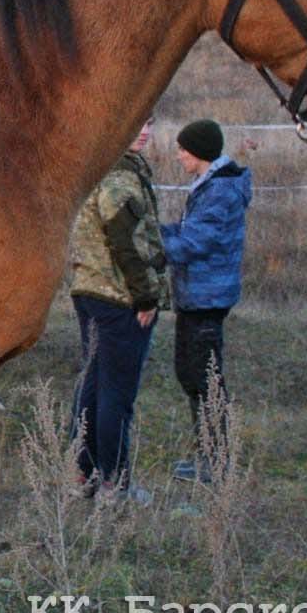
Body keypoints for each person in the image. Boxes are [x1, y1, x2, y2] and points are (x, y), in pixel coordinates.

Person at [68, 115, 169, 503]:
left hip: (88, 289)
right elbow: (124, 240)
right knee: (115, 394)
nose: (144, 131)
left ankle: (84, 474)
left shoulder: (92, 164)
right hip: (118, 298)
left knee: (94, 385)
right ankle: (113, 483)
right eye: (136, 122)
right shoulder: (120, 174)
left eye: (149, 123)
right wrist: (145, 295)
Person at [161, 119, 252, 483]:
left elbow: (194, 243)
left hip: (207, 297)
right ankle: (207, 455)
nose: (179, 155)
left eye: (183, 149)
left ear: (198, 152)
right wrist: (155, 229)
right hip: (196, 296)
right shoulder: (208, 186)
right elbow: (188, 231)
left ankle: (216, 462)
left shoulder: (219, 192)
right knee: (190, 373)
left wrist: (150, 248)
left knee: (205, 378)